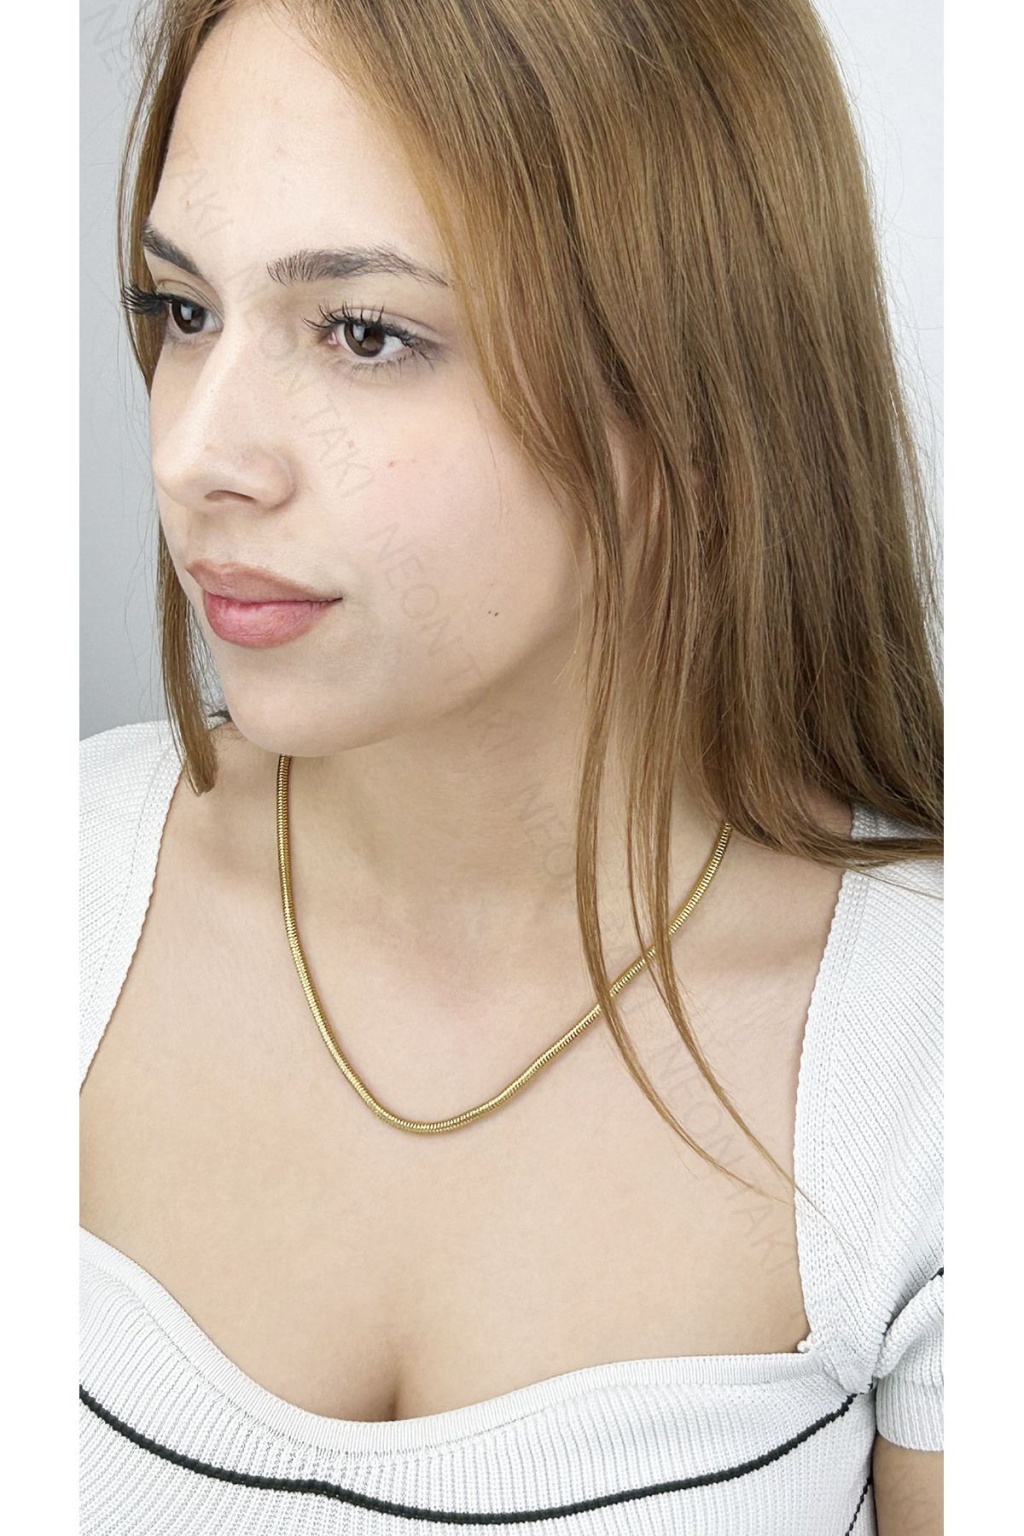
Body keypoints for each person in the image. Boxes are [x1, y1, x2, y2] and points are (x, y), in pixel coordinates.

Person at [79, 0, 943, 1531]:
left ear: (688, 387)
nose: (196, 454)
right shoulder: (54, 880)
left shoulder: (937, 1058)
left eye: (364, 333)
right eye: (183, 309)